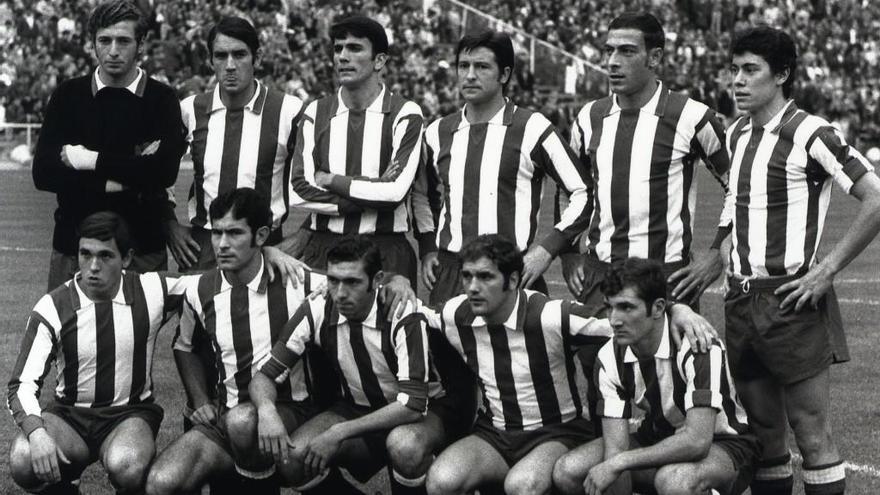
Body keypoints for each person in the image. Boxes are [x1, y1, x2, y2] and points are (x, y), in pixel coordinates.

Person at [422, 235, 714, 495]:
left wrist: (678, 308)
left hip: (556, 433)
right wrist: (394, 283)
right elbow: (413, 314)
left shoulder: (549, 315)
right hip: (494, 434)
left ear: (512, 281)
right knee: (441, 481)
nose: (473, 287)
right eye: (467, 276)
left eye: (485, 277)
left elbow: (623, 321)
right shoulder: (455, 312)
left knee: (523, 485)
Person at [720, 26, 880, 495]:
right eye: (734, 70)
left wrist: (825, 271)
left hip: (791, 298)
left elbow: (874, 199)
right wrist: (721, 256)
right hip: (741, 301)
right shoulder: (736, 134)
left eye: (751, 70)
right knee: (766, 437)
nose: (738, 81)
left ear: (782, 75)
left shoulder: (811, 132)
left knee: (810, 434)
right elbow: (735, 204)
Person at [146, 188, 319, 494]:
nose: (222, 244)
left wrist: (394, 283)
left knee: (243, 422)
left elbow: (358, 284)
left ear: (261, 235)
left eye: (235, 233)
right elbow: (184, 346)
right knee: (162, 483)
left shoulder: (296, 281)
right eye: (217, 233)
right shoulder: (199, 289)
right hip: (228, 416)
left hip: (289, 411)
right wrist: (199, 399)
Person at [250, 237, 455, 495]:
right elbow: (264, 376)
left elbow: (413, 405)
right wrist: (267, 410)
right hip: (358, 407)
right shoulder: (317, 308)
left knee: (405, 446)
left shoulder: (403, 314)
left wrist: (339, 431)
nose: (341, 293)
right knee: (294, 457)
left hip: (427, 411)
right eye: (334, 280)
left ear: (377, 279)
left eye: (353, 282)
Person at [7, 212, 187, 494]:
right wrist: (37, 432)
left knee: (127, 463)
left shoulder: (151, 290)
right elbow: (22, 384)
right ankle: (64, 486)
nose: (93, 266)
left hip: (129, 415)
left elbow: (212, 283)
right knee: (23, 457)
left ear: (126, 259)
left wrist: (268, 254)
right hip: (69, 417)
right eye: (85, 254)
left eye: (105, 256)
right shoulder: (53, 306)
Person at [562, 11, 729, 312]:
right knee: (597, 360)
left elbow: (741, 188)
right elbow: (571, 188)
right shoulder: (589, 117)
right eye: (609, 50)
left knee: (667, 360)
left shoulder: (692, 117)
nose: (613, 61)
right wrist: (569, 252)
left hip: (666, 277)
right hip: (600, 276)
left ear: (654, 58)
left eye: (626, 51)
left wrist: (716, 253)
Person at [553, 258, 758, 495]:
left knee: (674, 481)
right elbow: (615, 448)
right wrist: (615, 464)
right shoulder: (609, 356)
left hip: (723, 444)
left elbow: (697, 441)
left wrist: (620, 462)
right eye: (610, 306)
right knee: (569, 470)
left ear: (659, 308)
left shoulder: (697, 346)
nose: (614, 320)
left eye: (627, 307)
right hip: (657, 436)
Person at [414, 30, 591, 305]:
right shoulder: (437, 132)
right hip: (451, 275)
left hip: (511, 274)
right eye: (464, 66)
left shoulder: (533, 128)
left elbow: (583, 191)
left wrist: (548, 249)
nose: (470, 75)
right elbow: (421, 194)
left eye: (482, 66)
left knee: (520, 348)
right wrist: (427, 246)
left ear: (505, 75)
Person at [31, 0, 186, 291]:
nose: (113, 50)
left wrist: (88, 160)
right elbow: (44, 173)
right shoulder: (68, 95)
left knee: (135, 337)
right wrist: (123, 181)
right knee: (72, 335)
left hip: (142, 249)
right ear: (93, 44)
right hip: (73, 247)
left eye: (124, 41)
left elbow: (163, 173)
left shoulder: (162, 99)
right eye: (104, 40)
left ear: (141, 44)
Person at [289, 15, 424, 284]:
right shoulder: (316, 112)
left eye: (354, 48)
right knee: (323, 325)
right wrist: (372, 192)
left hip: (385, 249)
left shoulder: (405, 114)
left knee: (385, 327)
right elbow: (298, 191)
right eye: (338, 48)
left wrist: (331, 181)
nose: (342, 56)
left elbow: (394, 192)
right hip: (325, 248)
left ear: (380, 61)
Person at [165, 16, 304, 271]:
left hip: (265, 246)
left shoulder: (288, 110)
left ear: (258, 58)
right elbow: (154, 171)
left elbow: (318, 179)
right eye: (221, 56)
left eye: (239, 55)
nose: (230, 65)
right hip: (205, 246)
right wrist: (170, 224)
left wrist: (300, 238)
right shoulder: (190, 110)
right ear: (210, 61)